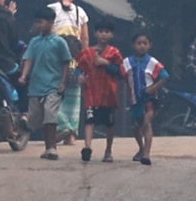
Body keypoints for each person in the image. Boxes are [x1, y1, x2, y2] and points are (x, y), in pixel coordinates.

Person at [20, 13, 82, 161]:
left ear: (50, 22)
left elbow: (66, 62)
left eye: (41, 22)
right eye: (37, 22)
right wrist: (23, 75)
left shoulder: (59, 42)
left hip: (53, 85)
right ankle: (25, 125)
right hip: (36, 85)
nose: (38, 25)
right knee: (35, 119)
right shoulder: (34, 42)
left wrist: (62, 82)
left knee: (50, 115)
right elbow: (29, 59)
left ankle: (51, 148)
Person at [78, 25, 127, 156]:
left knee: (109, 123)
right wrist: (81, 77)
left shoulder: (114, 53)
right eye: (101, 31)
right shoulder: (87, 52)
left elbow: (120, 71)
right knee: (90, 120)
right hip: (91, 92)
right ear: (95, 33)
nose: (103, 34)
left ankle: (108, 150)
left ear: (112, 35)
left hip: (108, 93)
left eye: (107, 31)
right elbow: (81, 68)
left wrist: (106, 63)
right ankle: (87, 147)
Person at [122, 36, 165, 164]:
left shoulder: (152, 62)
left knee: (146, 123)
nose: (142, 46)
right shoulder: (127, 62)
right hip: (135, 100)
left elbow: (164, 76)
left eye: (144, 43)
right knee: (135, 127)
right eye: (139, 43)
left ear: (149, 45)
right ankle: (141, 148)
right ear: (133, 45)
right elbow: (122, 76)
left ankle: (146, 154)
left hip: (149, 99)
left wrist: (153, 88)